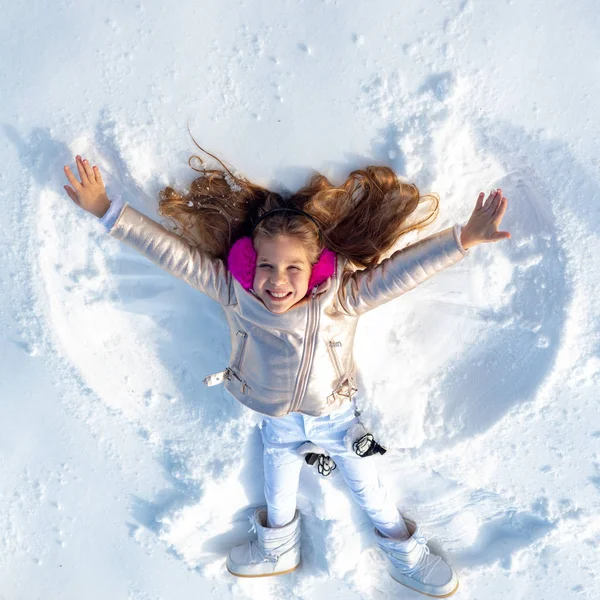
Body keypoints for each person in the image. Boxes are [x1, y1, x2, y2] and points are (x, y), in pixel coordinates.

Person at [63, 147, 510, 598]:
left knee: (367, 487)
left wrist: (462, 239)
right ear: (249, 265)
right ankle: (278, 547)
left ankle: (405, 554)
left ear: (314, 269)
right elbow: (174, 255)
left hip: (335, 417)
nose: (278, 281)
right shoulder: (235, 292)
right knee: (278, 484)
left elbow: (400, 273)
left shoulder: (341, 299)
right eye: (267, 267)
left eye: (293, 267)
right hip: (273, 418)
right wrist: (106, 209)